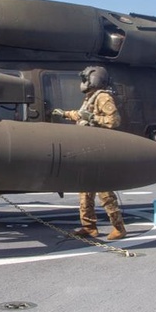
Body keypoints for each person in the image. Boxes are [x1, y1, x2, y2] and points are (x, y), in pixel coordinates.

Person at [50, 66, 128, 241]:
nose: (83, 82)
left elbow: (114, 121)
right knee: (85, 192)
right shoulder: (90, 98)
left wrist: (93, 119)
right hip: (88, 150)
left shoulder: (103, 97)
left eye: (85, 79)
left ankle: (119, 227)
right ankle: (89, 227)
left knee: (104, 192)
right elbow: (81, 114)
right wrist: (65, 114)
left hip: (99, 151)